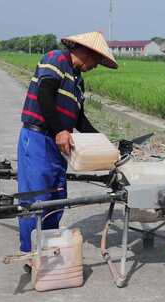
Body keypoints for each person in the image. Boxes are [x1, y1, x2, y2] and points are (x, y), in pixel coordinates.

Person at [17, 32, 118, 256]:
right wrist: (60, 130)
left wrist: (106, 144)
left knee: (56, 197)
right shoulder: (56, 59)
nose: (96, 66)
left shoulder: (77, 79)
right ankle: (31, 252)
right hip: (38, 139)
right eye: (97, 61)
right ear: (88, 53)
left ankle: (47, 247)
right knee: (36, 198)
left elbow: (79, 119)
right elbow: (45, 93)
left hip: (58, 145)